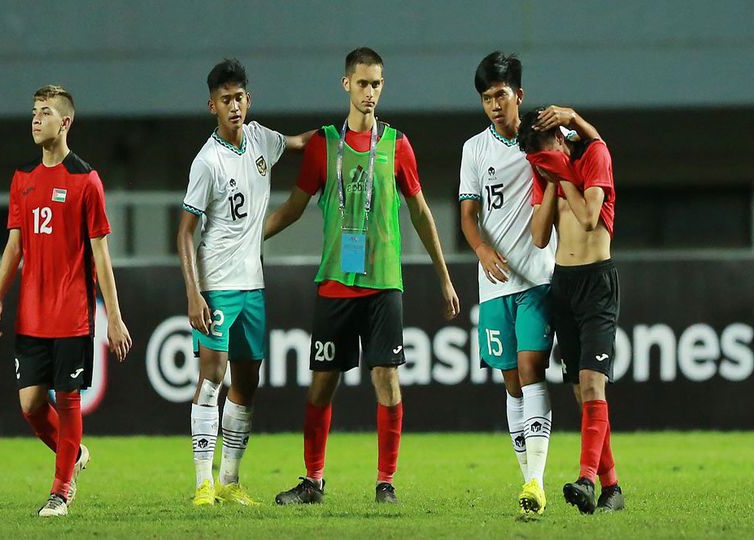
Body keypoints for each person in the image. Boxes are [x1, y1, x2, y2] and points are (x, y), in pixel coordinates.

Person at [267, 47, 460, 505]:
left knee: (386, 378)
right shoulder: (324, 144)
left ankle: (385, 482)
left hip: (383, 281)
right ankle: (313, 481)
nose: (369, 92)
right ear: (345, 84)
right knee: (322, 382)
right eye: (362, 83)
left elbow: (420, 213)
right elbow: (294, 207)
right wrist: (249, 239)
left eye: (376, 84)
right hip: (336, 278)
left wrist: (444, 276)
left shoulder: (398, 145)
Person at [0, 85, 132, 517]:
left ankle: (61, 490)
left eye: (45, 112)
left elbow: (101, 255)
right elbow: (15, 246)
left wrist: (115, 318)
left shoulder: (86, 180)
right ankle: (74, 454)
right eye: (33, 111)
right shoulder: (22, 178)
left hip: (72, 313)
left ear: (65, 122)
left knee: (67, 399)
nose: (35, 119)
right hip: (30, 313)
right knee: (31, 405)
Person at [177, 58, 313, 506]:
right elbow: (184, 232)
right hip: (216, 283)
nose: (233, 106)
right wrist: (193, 292)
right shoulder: (206, 161)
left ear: (248, 100)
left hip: (253, 283)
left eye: (239, 98)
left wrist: (344, 131)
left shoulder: (261, 139)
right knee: (211, 377)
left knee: (247, 381)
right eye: (224, 100)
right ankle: (202, 484)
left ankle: (230, 482)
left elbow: (298, 143)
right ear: (211, 105)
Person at [458, 52, 555, 515]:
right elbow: (468, 216)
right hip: (494, 283)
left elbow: (584, 159)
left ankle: (536, 482)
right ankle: (528, 480)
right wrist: (480, 249)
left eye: (500, 94)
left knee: (532, 369)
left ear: (519, 93)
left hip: (538, 276)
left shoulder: (543, 138)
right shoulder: (475, 149)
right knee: (512, 381)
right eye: (486, 98)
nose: (494, 104)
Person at [517, 105, 624, 513]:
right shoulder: (546, 172)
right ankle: (613, 487)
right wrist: (547, 183)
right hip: (563, 285)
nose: (541, 164)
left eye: (546, 155)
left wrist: (561, 175)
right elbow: (541, 236)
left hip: (597, 282)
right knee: (582, 393)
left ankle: (587, 480)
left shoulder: (593, 156)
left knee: (593, 384)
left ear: (561, 140)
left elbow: (590, 216)